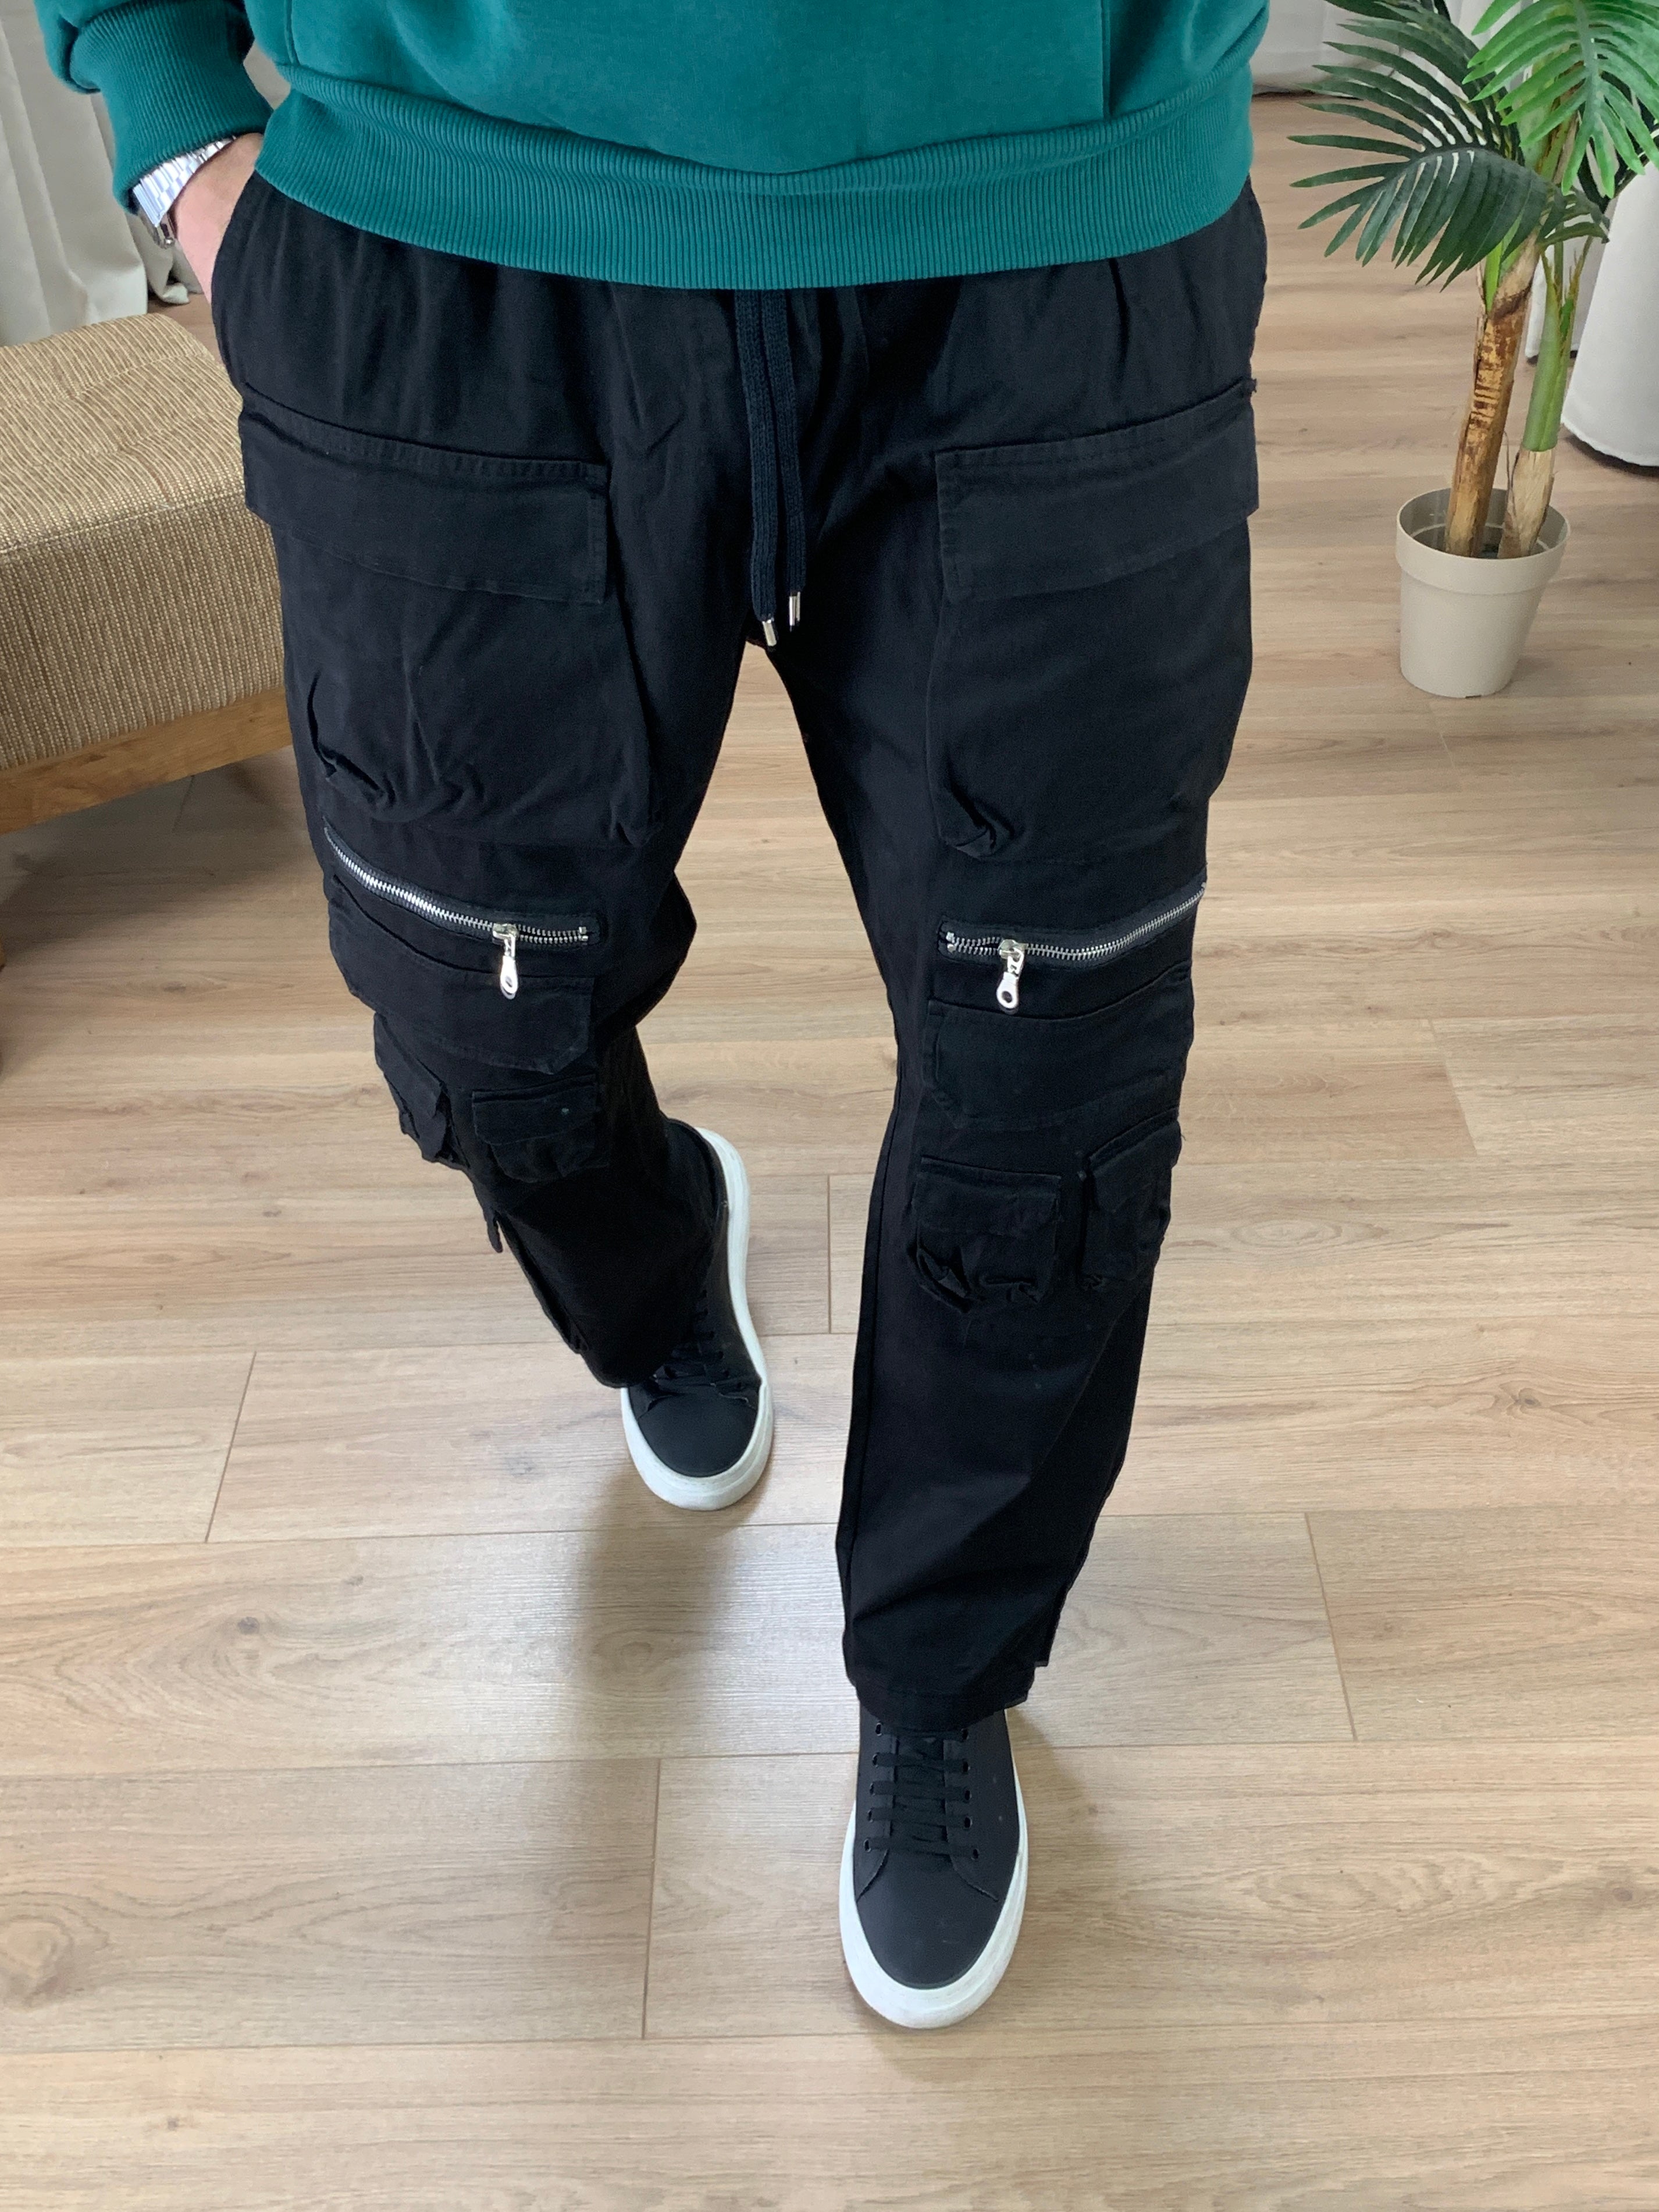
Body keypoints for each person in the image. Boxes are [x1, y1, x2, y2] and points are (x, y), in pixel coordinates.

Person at [40, 0, 1268, 2029]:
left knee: (1049, 1070)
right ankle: (650, 1268)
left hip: (1056, 229)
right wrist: (176, 123)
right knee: (475, 1015)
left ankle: (942, 1668)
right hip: (453, 241)